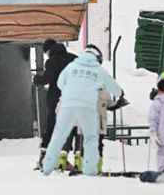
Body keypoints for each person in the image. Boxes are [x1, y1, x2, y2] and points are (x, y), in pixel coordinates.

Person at [41, 45, 123, 176]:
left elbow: (60, 83)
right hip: (88, 109)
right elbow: (114, 89)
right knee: (90, 138)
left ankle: (48, 166)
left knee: (59, 136)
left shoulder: (72, 67)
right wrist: (120, 94)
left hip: (67, 107)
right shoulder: (99, 71)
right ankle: (90, 168)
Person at [33, 39, 77, 169]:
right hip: (74, 99)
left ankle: (44, 158)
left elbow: (47, 78)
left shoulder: (52, 61)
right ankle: (64, 158)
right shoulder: (74, 59)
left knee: (52, 127)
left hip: (56, 99)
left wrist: (37, 79)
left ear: (48, 50)